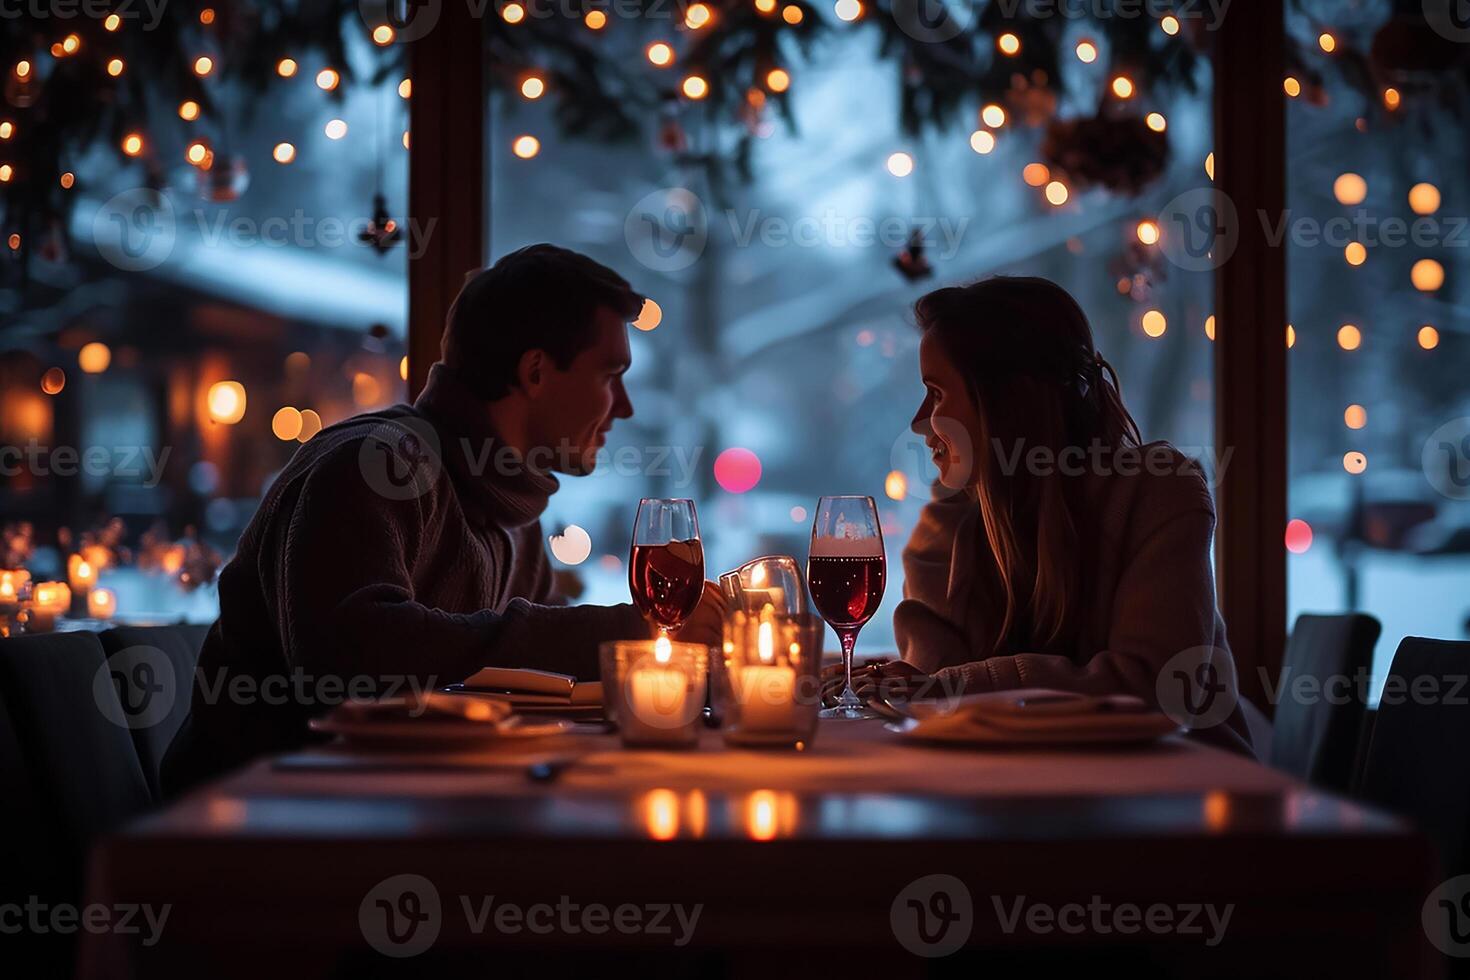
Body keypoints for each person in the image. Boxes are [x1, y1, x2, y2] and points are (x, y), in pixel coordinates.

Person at [164, 244, 725, 792]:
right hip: (254, 830)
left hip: (404, 807)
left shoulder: (510, 511)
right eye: (609, 375)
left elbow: (540, 672)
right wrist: (626, 632)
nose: (623, 406)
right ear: (534, 371)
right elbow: (354, 661)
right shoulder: (374, 466)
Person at [864, 276, 1252, 753]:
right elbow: (935, 680)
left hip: (1190, 798)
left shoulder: (1160, 493)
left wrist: (950, 685)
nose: (919, 420)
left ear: (1006, 402)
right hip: (1030, 788)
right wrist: (952, 508)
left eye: (937, 394)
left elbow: (1157, 687)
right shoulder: (958, 516)